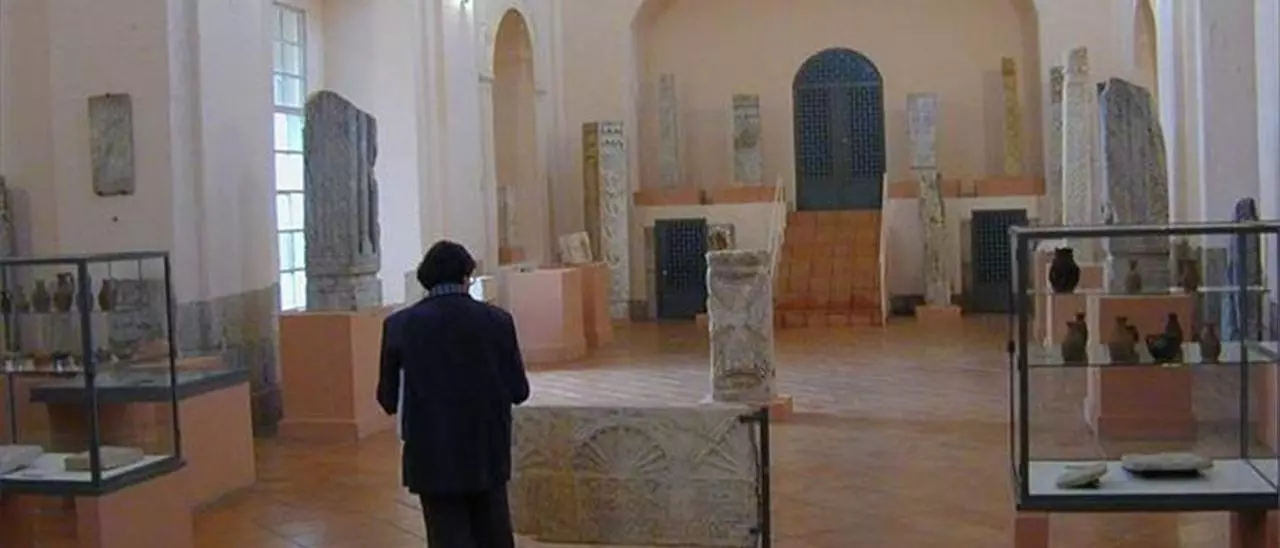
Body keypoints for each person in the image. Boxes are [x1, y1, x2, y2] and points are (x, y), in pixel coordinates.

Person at [377, 240, 530, 548]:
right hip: (486, 445)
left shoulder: (399, 325)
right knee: (494, 531)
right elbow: (519, 391)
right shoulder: (498, 320)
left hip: (431, 449)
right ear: (466, 277)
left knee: (446, 534)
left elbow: (387, 399)